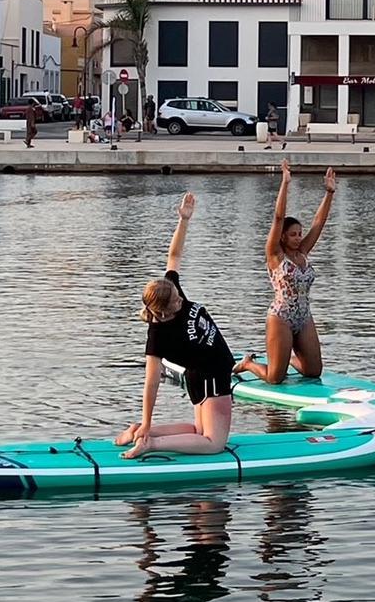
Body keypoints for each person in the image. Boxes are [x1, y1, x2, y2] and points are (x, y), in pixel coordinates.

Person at [114, 192, 235, 459]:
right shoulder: (158, 336)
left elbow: (174, 254)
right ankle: (150, 442)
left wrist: (184, 221)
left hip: (201, 377)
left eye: (179, 296)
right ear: (164, 311)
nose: (181, 300)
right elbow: (151, 382)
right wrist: (147, 418)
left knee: (197, 431)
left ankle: (139, 432)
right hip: (212, 377)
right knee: (214, 443)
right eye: (177, 302)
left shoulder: (169, 289)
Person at [234, 160, 336, 384]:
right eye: (293, 234)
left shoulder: (303, 252)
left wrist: (329, 193)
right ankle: (248, 363)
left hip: (303, 316)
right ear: (282, 236)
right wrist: (285, 183)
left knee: (313, 371)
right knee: (274, 378)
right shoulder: (275, 255)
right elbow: (278, 218)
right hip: (281, 317)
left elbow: (319, 223)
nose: (298, 237)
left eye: (300, 233)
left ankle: (287, 355)